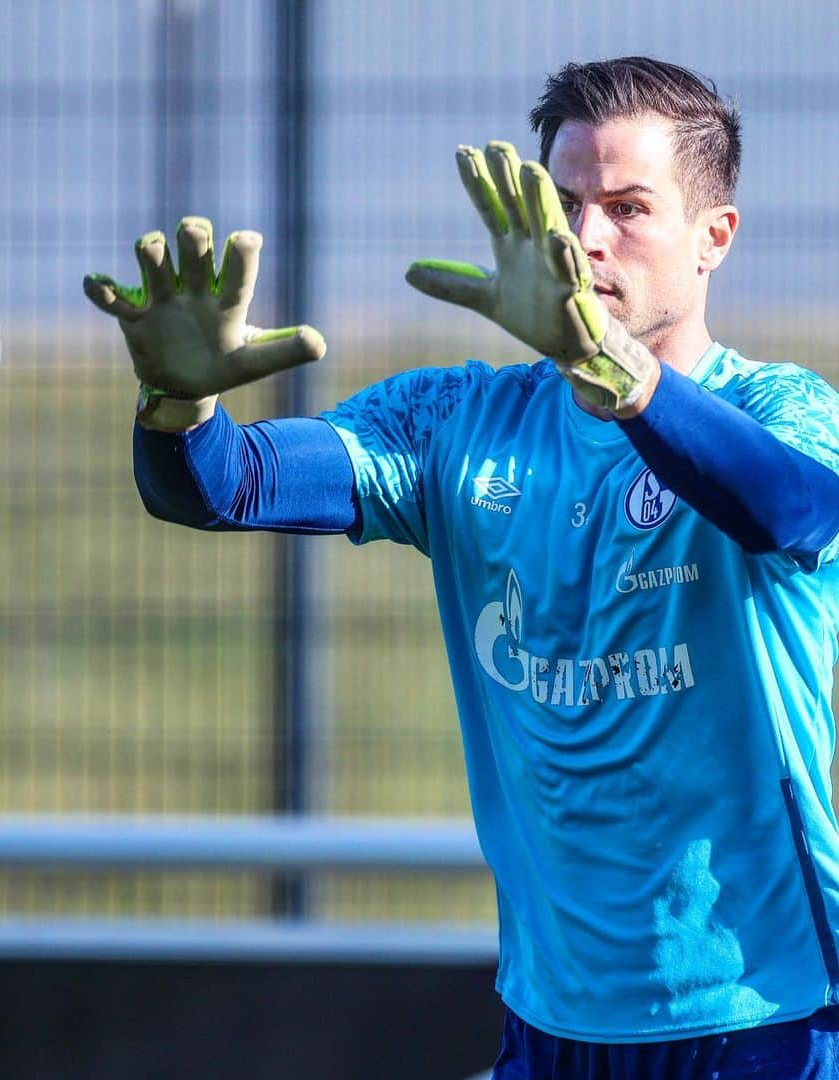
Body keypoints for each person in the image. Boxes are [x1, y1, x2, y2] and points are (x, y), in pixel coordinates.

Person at [85, 57, 839, 1078]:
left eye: (627, 207)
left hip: (766, 1019)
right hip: (548, 1023)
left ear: (715, 239)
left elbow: (790, 508)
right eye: (562, 205)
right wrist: (177, 406)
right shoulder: (460, 423)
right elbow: (227, 485)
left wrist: (611, 367)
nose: (584, 239)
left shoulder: (784, 414)